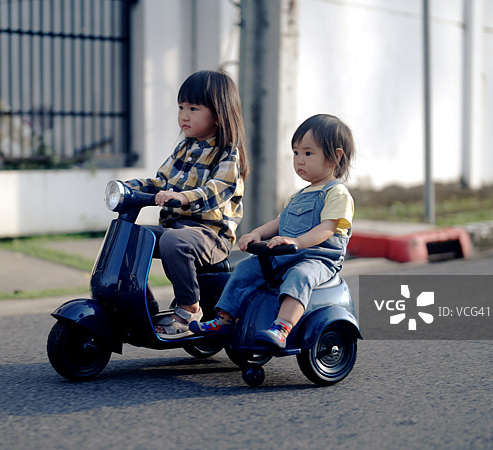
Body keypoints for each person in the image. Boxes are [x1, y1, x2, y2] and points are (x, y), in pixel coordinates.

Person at [190, 114, 355, 348]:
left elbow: (327, 229)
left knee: (301, 276)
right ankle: (224, 319)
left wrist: (297, 241)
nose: (299, 160)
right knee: (246, 268)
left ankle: (282, 327)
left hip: (317, 259)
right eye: (296, 153)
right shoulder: (298, 195)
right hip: (286, 255)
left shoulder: (337, 193)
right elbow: (279, 223)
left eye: (308, 153)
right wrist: (256, 234)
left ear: (335, 157)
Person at [124, 69, 249, 339]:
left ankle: (190, 309)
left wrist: (182, 197)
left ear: (218, 114)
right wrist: (129, 188)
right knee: (130, 238)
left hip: (210, 237)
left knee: (172, 241)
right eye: (181, 107)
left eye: (193, 108)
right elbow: (161, 181)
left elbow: (219, 190)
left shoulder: (228, 152)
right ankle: (141, 305)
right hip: (176, 230)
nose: (184, 115)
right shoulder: (184, 148)